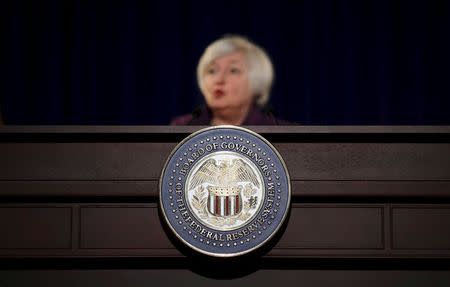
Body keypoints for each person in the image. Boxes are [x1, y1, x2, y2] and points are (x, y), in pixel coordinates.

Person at [171, 35, 291, 125]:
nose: (219, 79)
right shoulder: (182, 127)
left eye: (233, 71)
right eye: (212, 71)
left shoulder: (280, 133)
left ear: (256, 81)